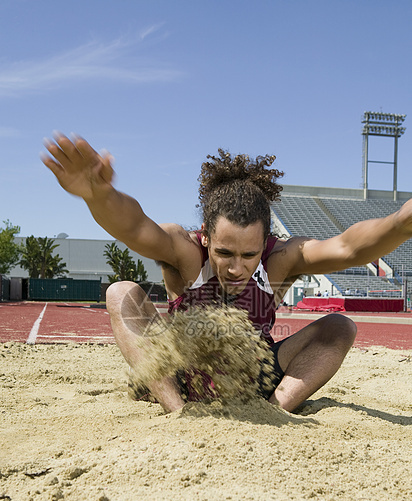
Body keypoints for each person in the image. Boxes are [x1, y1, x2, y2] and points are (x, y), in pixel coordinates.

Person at [42, 135, 412, 413]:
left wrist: (401, 222)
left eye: (249, 254)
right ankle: (178, 414)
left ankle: (275, 412)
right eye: (223, 253)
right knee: (120, 292)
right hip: (181, 377)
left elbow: (348, 247)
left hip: (254, 379)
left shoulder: (281, 260)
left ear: (265, 242)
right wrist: (99, 196)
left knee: (339, 328)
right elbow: (136, 227)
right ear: (205, 235)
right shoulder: (186, 252)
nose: (236, 268)